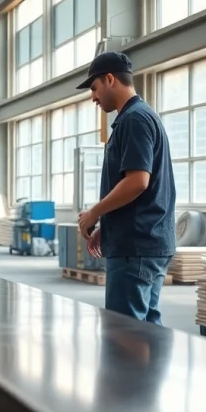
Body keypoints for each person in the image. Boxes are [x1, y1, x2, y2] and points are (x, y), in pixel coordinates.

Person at [75, 52, 176, 325]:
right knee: (145, 330)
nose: (93, 97)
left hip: (136, 247)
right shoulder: (138, 117)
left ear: (110, 79)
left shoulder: (134, 120)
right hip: (143, 243)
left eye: (94, 87)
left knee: (125, 333)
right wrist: (107, 225)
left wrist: (95, 212)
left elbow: (137, 181)